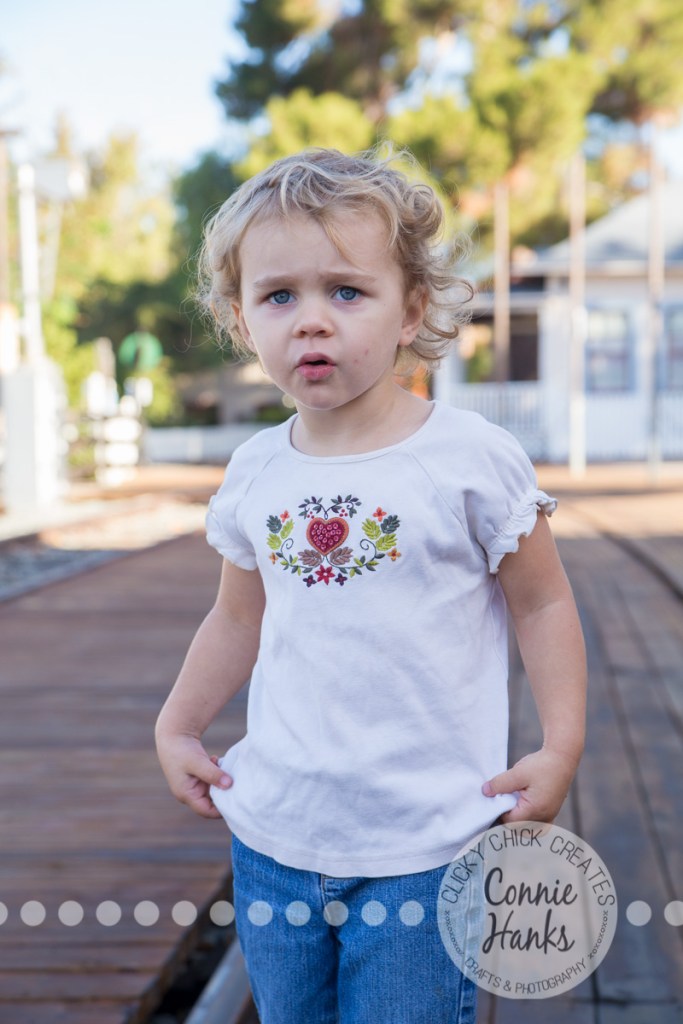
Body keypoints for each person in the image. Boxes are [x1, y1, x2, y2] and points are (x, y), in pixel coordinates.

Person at [155, 147, 587, 1024]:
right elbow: (236, 617)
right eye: (279, 296)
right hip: (275, 833)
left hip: (425, 845)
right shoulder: (254, 469)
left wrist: (560, 744)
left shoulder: (468, 459)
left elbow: (541, 603)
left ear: (409, 310)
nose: (311, 322)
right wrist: (177, 722)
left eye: (345, 292)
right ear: (242, 320)